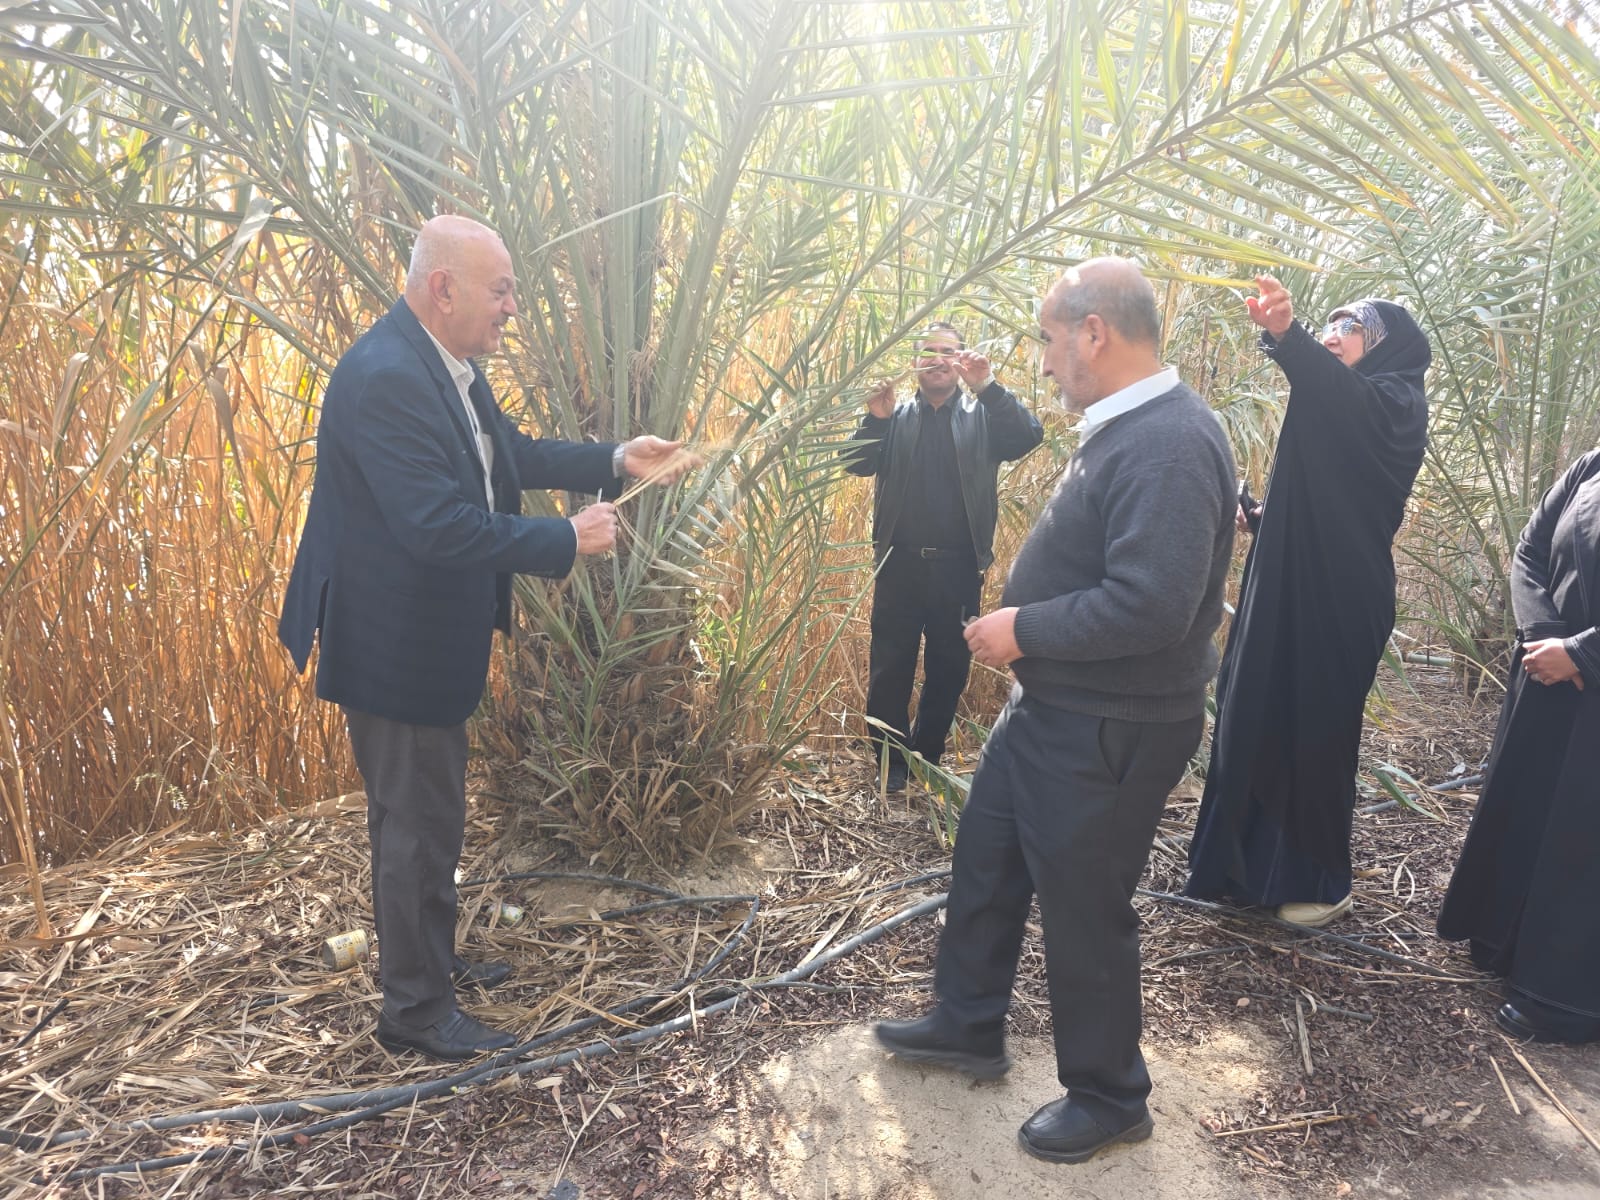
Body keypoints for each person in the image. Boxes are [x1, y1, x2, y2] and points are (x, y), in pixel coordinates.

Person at [279, 215, 695, 1061]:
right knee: (414, 826)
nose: (512, 307)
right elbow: (433, 524)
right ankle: (416, 1012)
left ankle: (430, 963)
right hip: (393, 646)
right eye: (501, 291)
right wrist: (563, 538)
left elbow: (510, 456)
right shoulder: (386, 377)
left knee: (431, 816)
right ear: (444, 289)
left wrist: (619, 458)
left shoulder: (447, 365)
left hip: (428, 638)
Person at [874, 258, 1236, 1164]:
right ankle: (966, 1023)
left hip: (1112, 725)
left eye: (1046, 339)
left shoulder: (1169, 443)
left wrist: (1023, 627)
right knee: (988, 860)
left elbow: (1153, 605)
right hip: (1055, 707)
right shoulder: (1128, 426)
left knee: (1084, 907)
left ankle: (1109, 1096)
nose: (1041, 360)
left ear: (1093, 333)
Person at [1185, 280, 1430, 927]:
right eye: (1329, 324)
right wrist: (1266, 517)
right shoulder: (1338, 404)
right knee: (1257, 713)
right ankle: (1244, 867)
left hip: (1340, 600)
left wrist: (1289, 338)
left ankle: (1322, 882)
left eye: (1350, 327)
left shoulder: (1398, 404)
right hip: (1289, 586)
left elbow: (1347, 404)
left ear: (1387, 345)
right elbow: (1327, 496)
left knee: (1314, 733)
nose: (1332, 335)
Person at [1437, 450, 1600, 1043]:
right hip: (1546, 674)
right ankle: (1507, 942)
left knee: (1584, 835)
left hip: (1583, 678)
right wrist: (1546, 637)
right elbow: (1529, 551)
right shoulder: (1591, 465)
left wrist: (1583, 654)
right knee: (1534, 808)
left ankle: (1568, 996)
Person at [841, 322, 1043, 792]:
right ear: (915, 362)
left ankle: (926, 756)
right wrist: (875, 419)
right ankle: (891, 763)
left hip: (959, 566)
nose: (937, 359)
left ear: (961, 360)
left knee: (949, 668)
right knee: (889, 665)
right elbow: (855, 462)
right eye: (928, 351)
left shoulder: (982, 417)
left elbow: (1027, 437)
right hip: (898, 564)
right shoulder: (894, 417)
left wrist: (988, 387)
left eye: (947, 351)